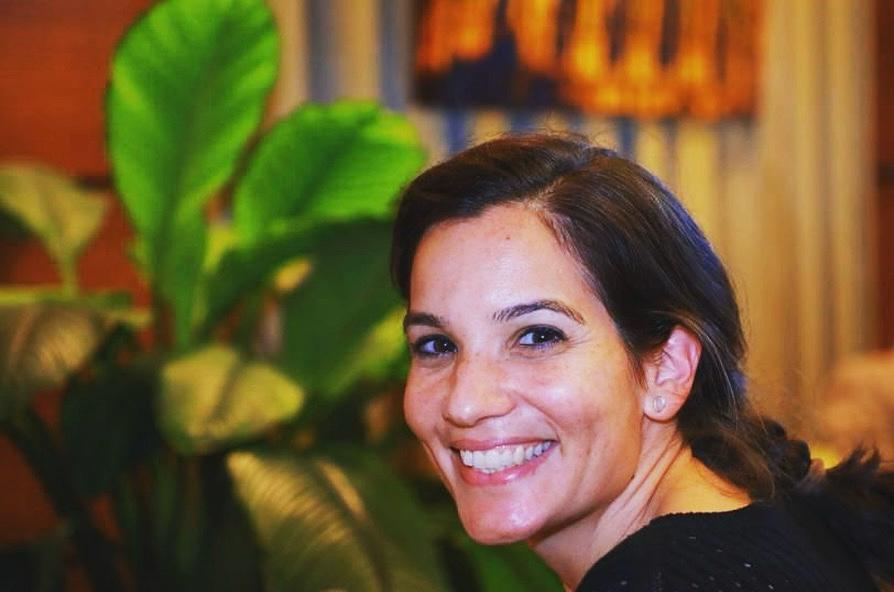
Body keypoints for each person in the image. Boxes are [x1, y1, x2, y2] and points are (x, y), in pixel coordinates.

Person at [390, 133, 894, 592]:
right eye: (436, 345)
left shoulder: (668, 575)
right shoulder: (744, 519)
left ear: (665, 368)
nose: (466, 402)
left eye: (537, 336)